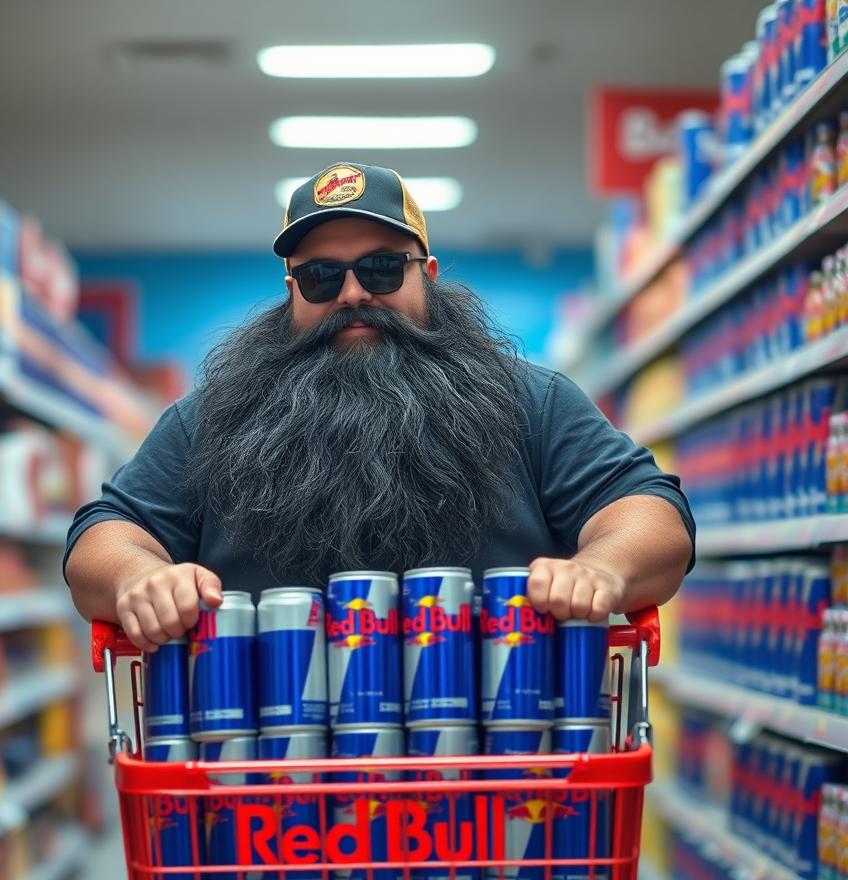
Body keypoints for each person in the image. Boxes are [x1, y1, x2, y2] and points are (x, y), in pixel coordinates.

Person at [64, 162, 694, 651]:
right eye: (321, 277)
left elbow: (650, 516)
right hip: (264, 790)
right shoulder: (208, 422)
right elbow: (103, 537)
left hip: (501, 781)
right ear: (292, 293)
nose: (353, 293)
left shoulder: (534, 404)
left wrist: (602, 568)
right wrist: (136, 578)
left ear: (429, 275)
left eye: (384, 269)